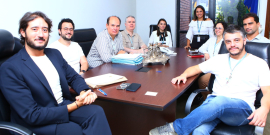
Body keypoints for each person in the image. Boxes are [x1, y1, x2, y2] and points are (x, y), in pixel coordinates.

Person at [0, 11, 111, 135]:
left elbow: (74, 77)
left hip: (61, 105)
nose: (41, 34)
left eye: (45, 30)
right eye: (35, 29)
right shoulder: (10, 68)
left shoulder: (54, 54)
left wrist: (84, 92)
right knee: (73, 130)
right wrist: (76, 105)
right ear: (23, 32)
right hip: (37, 118)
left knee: (96, 112)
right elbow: (32, 115)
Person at [149, 24, 270, 135]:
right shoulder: (219, 59)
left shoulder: (259, 63)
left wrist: (264, 108)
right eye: (228, 41)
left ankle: (176, 128)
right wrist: (183, 75)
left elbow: (267, 92)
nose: (232, 44)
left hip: (241, 110)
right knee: (198, 131)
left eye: (236, 40)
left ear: (244, 41)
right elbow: (195, 68)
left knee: (219, 101)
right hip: (213, 106)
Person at [197, 22, 227, 99]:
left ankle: (207, 99)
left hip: (218, 67)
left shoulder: (226, 41)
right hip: (208, 65)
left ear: (224, 30)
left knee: (202, 80)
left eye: (220, 28)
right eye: (216, 28)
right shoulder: (212, 39)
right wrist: (206, 53)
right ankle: (205, 98)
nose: (217, 30)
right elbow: (201, 48)